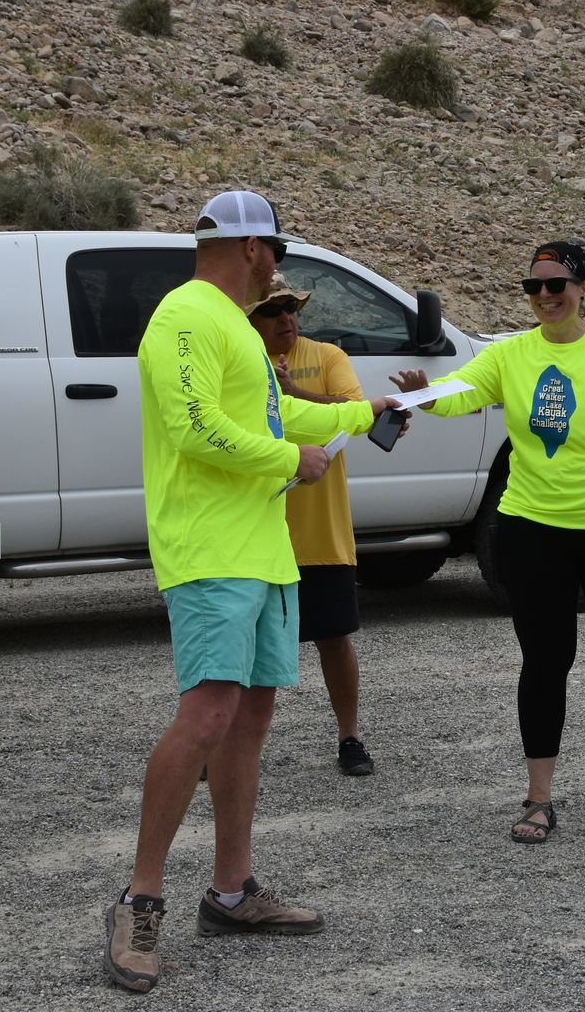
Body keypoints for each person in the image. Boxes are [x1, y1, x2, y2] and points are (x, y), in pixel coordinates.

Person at [105, 191, 400, 995]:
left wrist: (366, 409)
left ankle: (232, 892)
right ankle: (139, 901)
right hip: (208, 551)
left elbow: (275, 418)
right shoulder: (186, 317)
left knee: (249, 718)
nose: (279, 263)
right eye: (276, 248)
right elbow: (196, 427)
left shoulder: (233, 323)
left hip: (264, 552)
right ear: (252, 247)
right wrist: (286, 464)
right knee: (204, 716)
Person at [392, 240, 585, 845]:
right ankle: (538, 796)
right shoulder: (512, 356)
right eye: (534, 288)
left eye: (557, 286)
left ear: (583, 290)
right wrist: (422, 394)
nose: (546, 297)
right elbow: (463, 393)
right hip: (531, 530)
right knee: (545, 662)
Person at [247, 272, 376, 777]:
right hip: (259, 531)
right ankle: (221, 743)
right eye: (273, 310)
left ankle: (350, 736)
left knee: (334, 638)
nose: (286, 319)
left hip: (321, 533)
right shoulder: (239, 358)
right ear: (251, 318)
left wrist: (293, 392)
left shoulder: (326, 357)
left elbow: (355, 412)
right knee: (244, 646)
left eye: (293, 308)